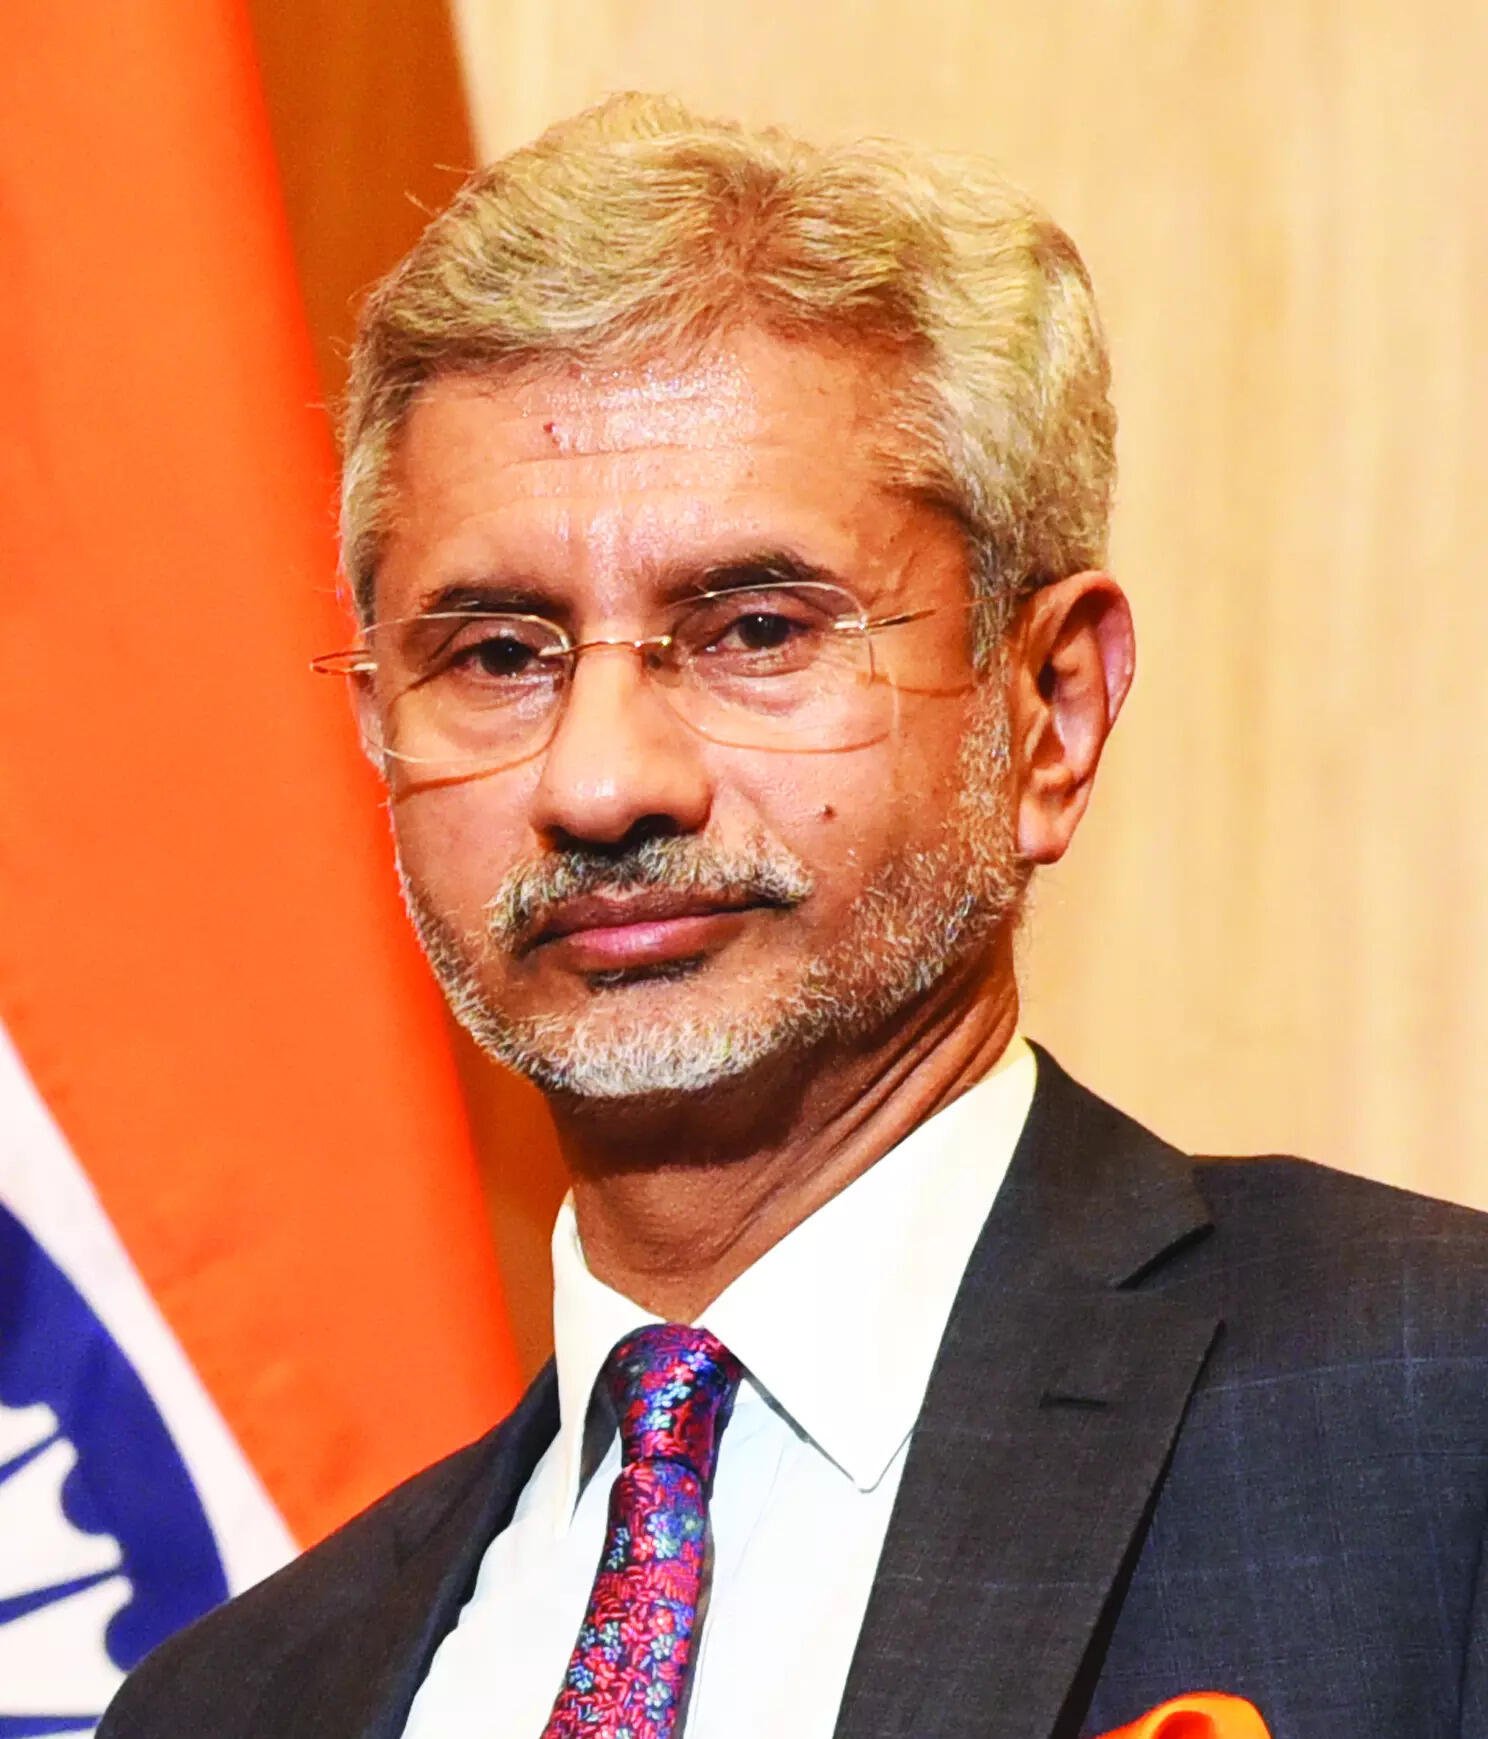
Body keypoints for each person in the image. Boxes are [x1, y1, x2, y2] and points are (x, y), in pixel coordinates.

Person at [100, 94, 1488, 1739]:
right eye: (497, 656)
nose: (600, 783)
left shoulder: (1431, 1422)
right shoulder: (232, 1704)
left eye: (755, 630)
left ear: (1049, 714)